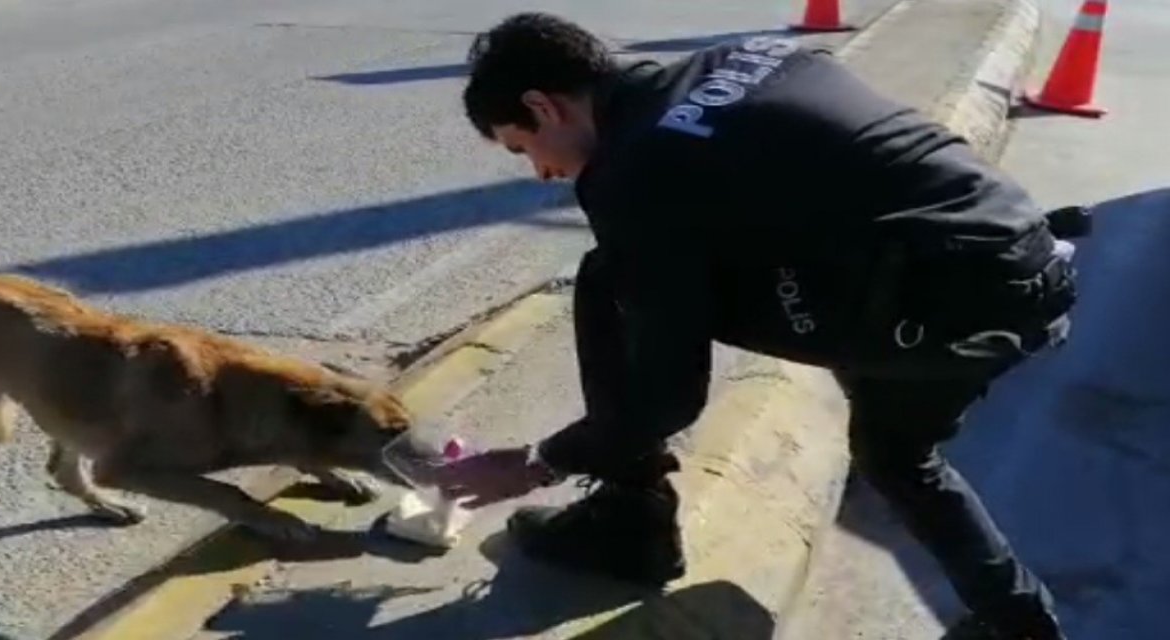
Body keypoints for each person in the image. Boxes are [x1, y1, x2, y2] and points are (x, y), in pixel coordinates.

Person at [438, 12, 1081, 640]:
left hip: (952, 301)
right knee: (893, 452)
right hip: (1020, 254)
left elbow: (670, 397)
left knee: (616, 277)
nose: (541, 172)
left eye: (524, 148)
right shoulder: (747, 56)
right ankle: (1021, 624)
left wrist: (537, 462)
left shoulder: (633, 173)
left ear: (543, 107)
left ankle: (631, 520)